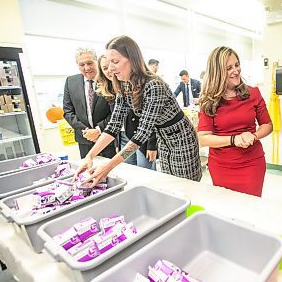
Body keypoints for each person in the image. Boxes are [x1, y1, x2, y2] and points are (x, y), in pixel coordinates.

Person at [75, 35, 201, 184]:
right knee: (171, 182)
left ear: (133, 59)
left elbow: (141, 135)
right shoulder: (124, 85)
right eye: (109, 63)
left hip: (181, 138)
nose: (110, 68)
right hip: (163, 138)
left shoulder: (153, 85)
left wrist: (107, 167)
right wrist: (90, 156)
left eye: (115, 62)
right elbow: (113, 125)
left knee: (186, 184)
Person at [197, 46, 272, 197]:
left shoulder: (253, 93)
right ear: (217, 72)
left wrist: (254, 136)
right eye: (229, 68)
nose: (236, 70)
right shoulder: (209, 100)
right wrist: (234, 139)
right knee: (228, 209)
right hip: (221, 166)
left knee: (251, 207)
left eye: (237, 65)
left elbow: (267, 125)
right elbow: (203, 138)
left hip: (252, 164)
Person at [96, 54, 157, 170]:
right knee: (130, 171)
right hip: (124, 137)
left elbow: (151, 121)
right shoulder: (111, 90)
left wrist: (152, 145)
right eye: (105, 68)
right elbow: (114, 123)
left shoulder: (141, 85)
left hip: (142, 139)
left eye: (112, 65)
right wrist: (116, 144)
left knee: (144, 171)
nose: (110, 70)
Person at [63, 48, 116, 159]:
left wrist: (98, 130)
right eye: (82, 64)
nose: (87, 68)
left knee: (111, 171)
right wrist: (86, 131)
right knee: (88, 170)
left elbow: (116, 111)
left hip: (107, 136)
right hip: (84, 139)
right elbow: (68, 111)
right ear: (77, 65)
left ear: (97, 62)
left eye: (90, 63)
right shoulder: (70, 82)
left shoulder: (109, 79)